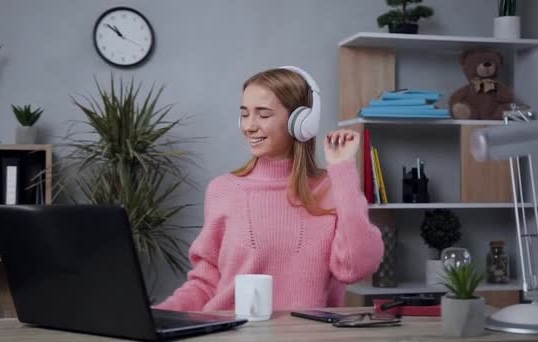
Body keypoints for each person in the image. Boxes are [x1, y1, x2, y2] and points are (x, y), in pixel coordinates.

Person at [154, 66, 384, 312]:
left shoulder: (332, 188)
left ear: (301, 122)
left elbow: (356, 267)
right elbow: (206, 281)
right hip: (231, 335)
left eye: (263, 115)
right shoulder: (223, 190)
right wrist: (159, 315)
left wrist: (343, 170)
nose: (249, 126)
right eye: (244, 114)